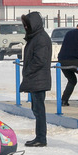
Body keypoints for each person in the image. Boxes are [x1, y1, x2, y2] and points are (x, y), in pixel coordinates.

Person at [20, 11, 52, 147]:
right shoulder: (36, 37)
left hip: (38, 79)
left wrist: (28, 71)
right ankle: (39, 137)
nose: (26, 28)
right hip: (36, 79)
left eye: (27, 25)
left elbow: (40, 60)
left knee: (39, 110)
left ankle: (41, 138)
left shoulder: (41, 38)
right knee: (36, 110)